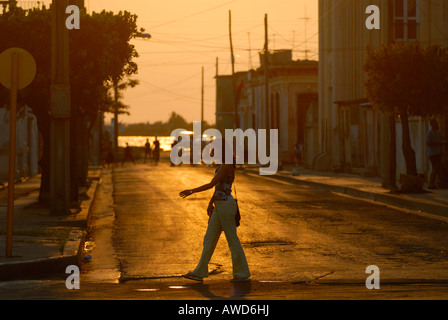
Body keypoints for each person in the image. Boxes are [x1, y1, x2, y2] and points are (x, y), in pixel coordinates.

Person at [179, 139, 250, 283]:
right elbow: (219, 188)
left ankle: (242, 272)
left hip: (226, 206)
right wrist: (211, 203)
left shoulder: (226, 165)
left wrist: (191, 191)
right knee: (209, 239)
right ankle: (199, 272)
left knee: (232, 240)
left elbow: (212, 184)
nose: (211, 151)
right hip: (219, 206)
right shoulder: (223, 165)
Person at [426, 119, 447, 189]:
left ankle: (433, 184)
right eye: (435, 123)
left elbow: (441, 140)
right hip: (432, 153)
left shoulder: (438, 132)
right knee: (436, 168)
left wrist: (444, 142)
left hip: (438, 152)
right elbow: (428, 143)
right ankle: (430, 183)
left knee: (435, 169)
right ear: (432, 124)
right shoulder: (429, 133)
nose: (437, 124)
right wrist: (439, 143)